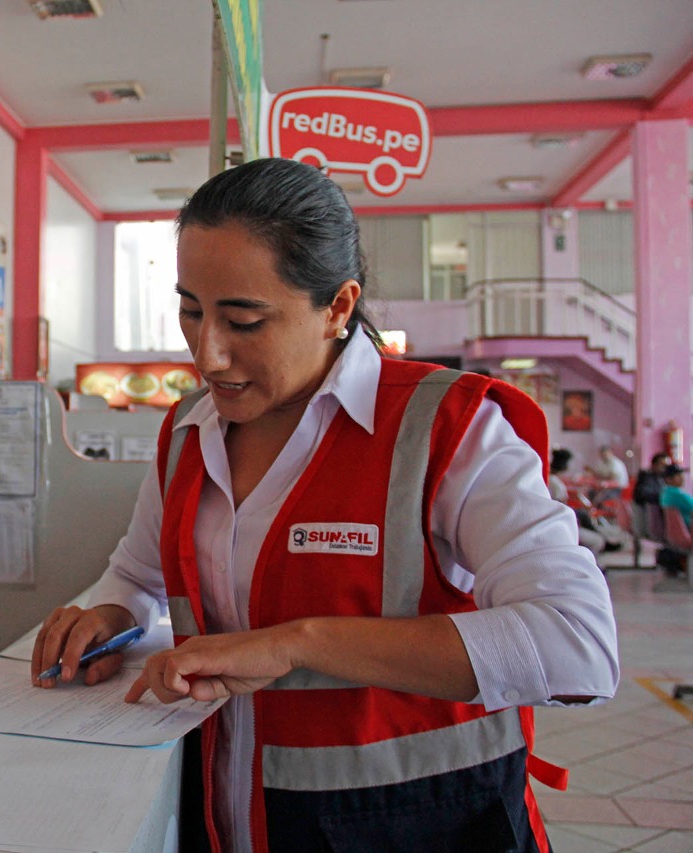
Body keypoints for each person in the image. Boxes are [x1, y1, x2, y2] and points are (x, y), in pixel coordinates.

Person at [31, 158, 618, 852]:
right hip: (225, 816)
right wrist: (110, 614)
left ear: (338, 307)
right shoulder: (190, 431)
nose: (208, 354)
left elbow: (578, 643)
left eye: (244, 320)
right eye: (191, 309)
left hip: (417, 824)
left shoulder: (447, 429)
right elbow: (137, 574)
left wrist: (295, 643)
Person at [549, 447, 606, 559]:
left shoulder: (552, 481)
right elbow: (560, 508)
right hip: (560, 526)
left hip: (558, 524)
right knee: (597, 541)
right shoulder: (555, 484)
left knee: (583, 515)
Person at [660, 462, 693, 530]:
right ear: (668, 479)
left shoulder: (665, 493)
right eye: (678, 475)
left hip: (678, 531)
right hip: (687, 529)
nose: (682, 478)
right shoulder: (677, 495)